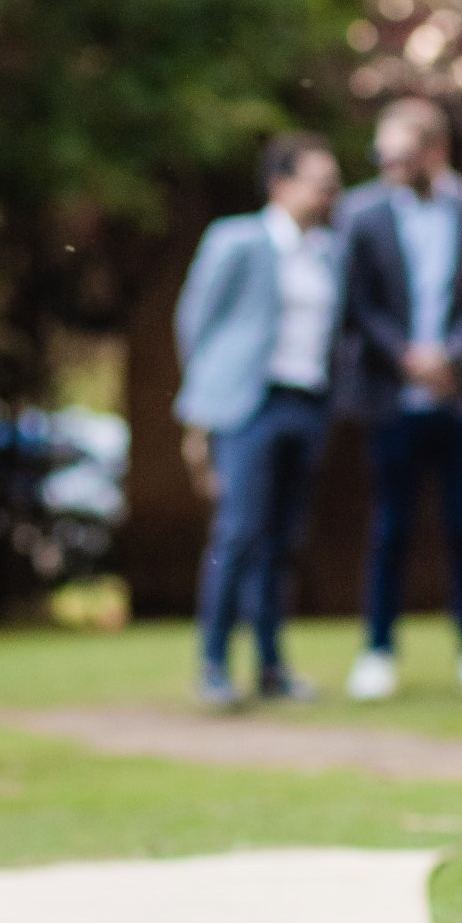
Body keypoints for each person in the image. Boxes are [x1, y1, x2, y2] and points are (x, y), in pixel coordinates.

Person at [337, 96, 462, 700]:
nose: (390, 165)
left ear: (434, 152)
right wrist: (406, 357)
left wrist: (451, 356)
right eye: (382, 154)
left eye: (402, 155)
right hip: (392, 398)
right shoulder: (360, 214)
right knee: (390, 529)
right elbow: (356, 303)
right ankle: (378, 651)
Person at [174, 133, 345, 709]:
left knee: (284, 540)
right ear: (280, 183)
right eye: (315, 178)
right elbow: (196, 320)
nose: (326, 190)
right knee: (239, 531)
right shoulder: (237, 240)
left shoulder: (329, 251)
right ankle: (214, 663)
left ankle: (272, 665)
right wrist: (202, 406)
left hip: (307, 402)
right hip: (247, 405)